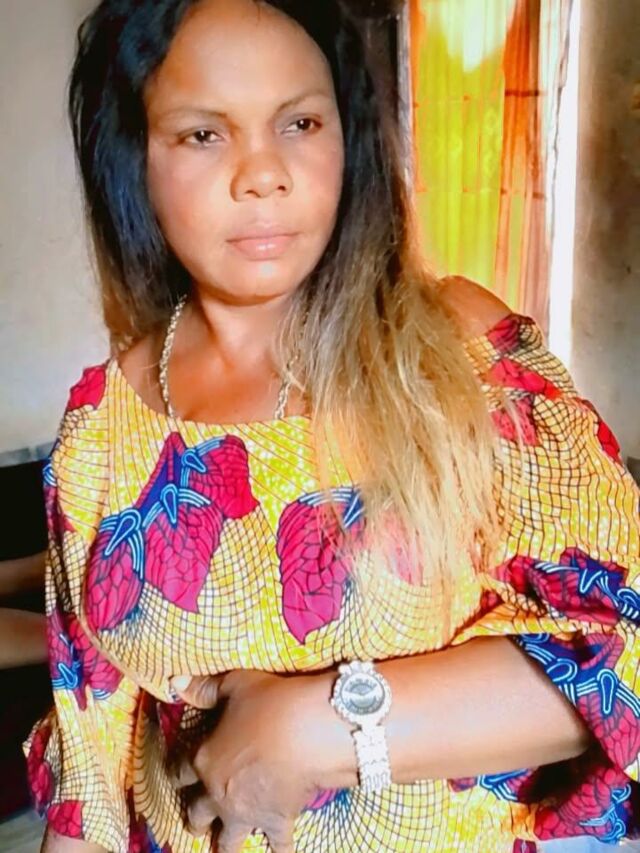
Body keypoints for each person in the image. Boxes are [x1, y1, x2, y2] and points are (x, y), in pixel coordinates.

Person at [22, 1, 640, 851]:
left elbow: (623, 645)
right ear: (135, 160)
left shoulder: (459, 358)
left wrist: (320, 727)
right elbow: (87, 780)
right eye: (204, 134)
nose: (263, 174)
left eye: (300, 123)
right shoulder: (102, 426)